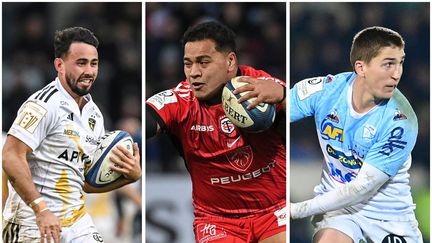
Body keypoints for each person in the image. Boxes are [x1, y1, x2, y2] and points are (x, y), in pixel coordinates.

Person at [146, 21, 287, 242]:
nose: (194, 73)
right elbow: (148, 121)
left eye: (203, 62)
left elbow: (308, 109)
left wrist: (284, 95)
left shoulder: (261, 87)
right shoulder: (181, 101)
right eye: (188, 63)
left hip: (274, 211)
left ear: (230, 61)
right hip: (216, 220)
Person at [2, 26, 142, 243]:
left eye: (94, 64)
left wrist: (128, 178)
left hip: (77, 222)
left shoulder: (94, 114)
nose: (89, 71)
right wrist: (41, 209)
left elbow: (85, 181)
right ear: (59, 65)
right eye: (81, 63)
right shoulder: (43, 104)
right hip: (33, 222)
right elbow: (10, 155)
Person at [287, 26, 423, 242]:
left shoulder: (401, 121)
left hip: (388, 216)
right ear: (361, 67)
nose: (397, 74)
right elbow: (281, 108)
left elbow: (360, 188)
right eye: (389, 64)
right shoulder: (326, 91)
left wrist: (295, 210)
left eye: (400, 63)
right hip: (339, 210)